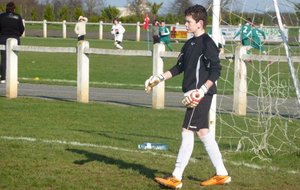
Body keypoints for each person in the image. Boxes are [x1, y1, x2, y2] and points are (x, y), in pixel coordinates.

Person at [144, 4, 231, 189]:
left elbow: (216, 71)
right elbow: (179, 67)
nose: (185, 24)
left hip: (200, 95)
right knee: (203, 133)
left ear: (199, 23)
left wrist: (202, 91)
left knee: (186, 131)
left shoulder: (208, 44)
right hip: (195, 94)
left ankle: (176, 177)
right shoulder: (189, 42)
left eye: (188, 21)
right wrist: (159, 77)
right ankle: (222, 173)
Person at [0, 1, 24, 84]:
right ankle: (13, 78)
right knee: (14, 58)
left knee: (3, 58)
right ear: (14, 8)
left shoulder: (1, 16)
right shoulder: (17, 17)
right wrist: (17, 35)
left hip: (3, 38)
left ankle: (3, 77)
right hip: (15, 38)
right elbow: (21, 29)